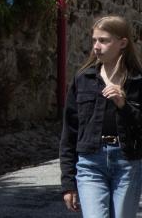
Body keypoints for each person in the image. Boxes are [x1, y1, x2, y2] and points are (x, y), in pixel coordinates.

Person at [60, 15, 142, 217]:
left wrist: (124, 105)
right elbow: (69, 132)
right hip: (90, 163)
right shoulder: (83, 78)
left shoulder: (137, 80)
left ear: (122, 43)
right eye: (94, 40)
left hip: (127, 163)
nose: (96, 46)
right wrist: (68, 183)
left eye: (104, 40)